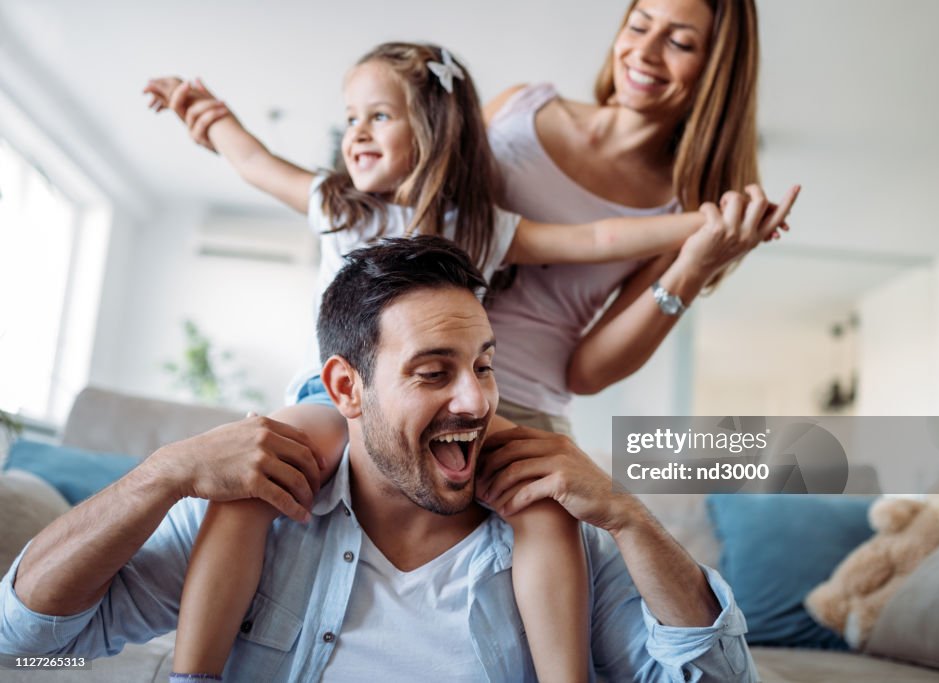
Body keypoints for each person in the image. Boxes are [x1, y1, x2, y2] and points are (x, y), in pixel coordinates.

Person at [140, 41, 794, 681]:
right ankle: (193, 673)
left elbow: (599, 238)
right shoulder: (336, 202)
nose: (356, 133)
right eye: (350, 118)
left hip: (453, 402)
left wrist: (708, 228)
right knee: (253, 473)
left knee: (544, 505)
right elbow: (255, 162)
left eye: (378, 116)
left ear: (429, 131)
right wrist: (209, 117)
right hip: (331, 397)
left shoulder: (482, 226)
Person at [0, 236, 758, 682]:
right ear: (345, 388)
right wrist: (161, 473)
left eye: (484, 365)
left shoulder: (557, 527)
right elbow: (26, 637)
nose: (474, 399)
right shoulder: (263, 506)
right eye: (434, 372)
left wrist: (628, 514)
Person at [483, 0, 794, 433]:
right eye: (638, 26)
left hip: (518, 409)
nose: (644, 52)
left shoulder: (685, 211)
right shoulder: (516, 107)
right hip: (402, 372)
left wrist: (695, 266)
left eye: (680, 42)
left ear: (716, 70)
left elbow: (586, 374)